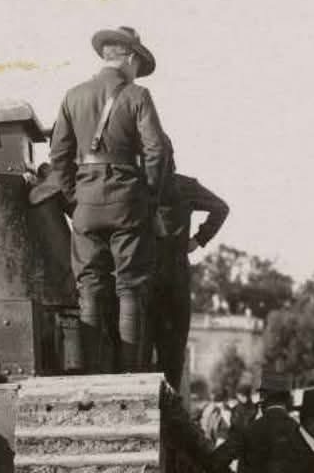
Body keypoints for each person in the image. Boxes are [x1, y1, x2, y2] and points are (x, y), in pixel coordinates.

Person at [48, 26, 173, 373]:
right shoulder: (138, 96)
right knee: (129, 286)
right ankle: (130, 374)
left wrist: (75, 198)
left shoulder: (72, 96)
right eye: (138, 66)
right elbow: (157, 150)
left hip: (85, 204)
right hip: (127, 202)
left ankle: (92, 374)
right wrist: (147, 196)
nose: (137, 73)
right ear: (130, 58)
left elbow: (58, 155)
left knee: (89, 287)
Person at [152, 174, 229, 389]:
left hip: (139, 275)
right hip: (173, 274)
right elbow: (220, 208)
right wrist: (197, 240)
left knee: (141, 349)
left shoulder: (130, 182)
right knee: (174, 350)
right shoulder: (182, 185)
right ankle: (170, 401)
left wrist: (198, 239)